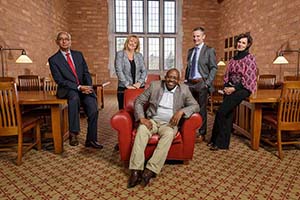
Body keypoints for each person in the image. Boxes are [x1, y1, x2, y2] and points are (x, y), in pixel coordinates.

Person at [128, 68, 200, 188]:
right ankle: (136, 170)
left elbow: (195, 106)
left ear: (179, 80)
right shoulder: (155, 86)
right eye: (169, 77)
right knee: (141, 130)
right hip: (152, 121)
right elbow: (139, 101)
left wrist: (182, 111)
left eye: (175, 78)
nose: (171, 80)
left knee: (168, 135)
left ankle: (150, 171)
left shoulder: (184, 90)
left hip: (169, 124)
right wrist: (141, 118)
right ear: (165, 77)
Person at [48, 31, 103, 149]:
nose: (64, 41)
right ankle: (74, 133)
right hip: (67, 89)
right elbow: (59, 80)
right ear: (57, 42)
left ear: (70, 41)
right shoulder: (53, 60)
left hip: (84, 88)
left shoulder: (78, 55)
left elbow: (86, 73)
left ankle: (91, 139)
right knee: (74, 98)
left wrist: (88, 87)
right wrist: (78, 87)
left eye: (66, 39)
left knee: (93, 107)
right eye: (61, 39)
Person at [209, 33, 257, 151]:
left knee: (221, 112)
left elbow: (249, 77)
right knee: (228, 113)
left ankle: (218, 142)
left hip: (243, 89)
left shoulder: (250, 58)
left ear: (248, 45)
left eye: (243, 43)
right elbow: (227, 76)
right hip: (230, 87)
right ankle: (221, 143)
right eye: (239, 42)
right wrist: (226, 87)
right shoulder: (232, 59)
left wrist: (234, 88)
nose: (240, 44)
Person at [185, 27, 218, 143]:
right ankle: (189, 131)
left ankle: (202, 133)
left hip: (201, 83)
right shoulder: (190, 51)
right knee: (189, 107)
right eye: (194, 36)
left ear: (203, 37)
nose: (195, 38)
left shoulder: (209, 50)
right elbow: (188, 67)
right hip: (190, 83)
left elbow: (214, 68)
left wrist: (207, 83)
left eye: (198, 36)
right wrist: (185, 81)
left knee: (201, 109)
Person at [115, 34, 147, 110]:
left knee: (139, 110)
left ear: (137, 45)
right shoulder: (120, 54)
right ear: (127, 42)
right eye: (131, 41)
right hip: (124, 87)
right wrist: (127, 85)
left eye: (135, 42)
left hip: (138, 87)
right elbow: (119, 71)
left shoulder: (139, 55)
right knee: (123, 109)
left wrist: (139, 83)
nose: (132, 43)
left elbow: (144, 71)